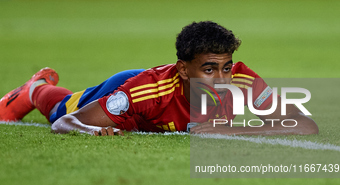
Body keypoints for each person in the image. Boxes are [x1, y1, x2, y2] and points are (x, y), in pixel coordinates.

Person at [0, 21, 318, 136]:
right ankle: (35, 89)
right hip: (126, 84)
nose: (222, 79)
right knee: (59, 107)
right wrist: (91, 132)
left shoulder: (240, 80)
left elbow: (306, 124)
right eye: (209, 70)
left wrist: (241, 130)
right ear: (183, 70)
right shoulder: (147, 92)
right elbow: (65, 123)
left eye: (226, 67)